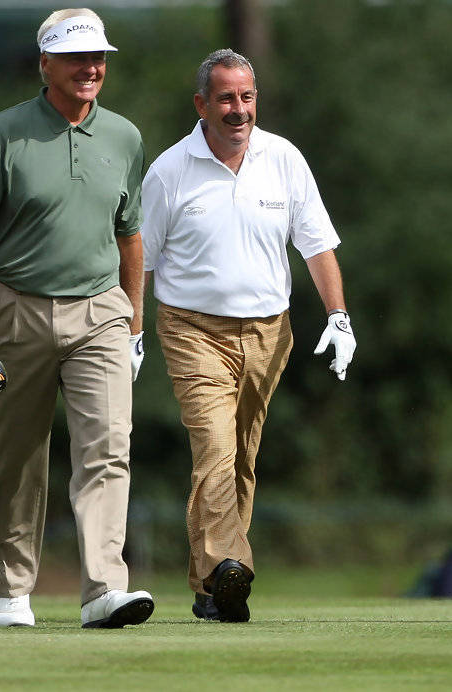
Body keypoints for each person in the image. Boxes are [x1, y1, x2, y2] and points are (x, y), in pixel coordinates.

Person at [0, 8, 153, 628]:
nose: (92, 69)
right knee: (16, 457)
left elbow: (131, 236)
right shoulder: (4, 133)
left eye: (99, 59)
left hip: (102, 314)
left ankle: (104, 591)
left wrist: (135, 323)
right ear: (46, 65)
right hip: (16, 308)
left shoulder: (125, 137)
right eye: (78, 59)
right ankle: (13, 593)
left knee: (109, 448)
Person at [141, 49, 356, 623]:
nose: (239, 110)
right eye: (226, 98)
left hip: (269, 332)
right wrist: (130, 329)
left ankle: (211, 587)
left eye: (247, 97)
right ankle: (231, 565)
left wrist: (338, 317)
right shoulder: (169, 171)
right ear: (201, 104)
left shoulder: (283, 158)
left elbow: (315, 242)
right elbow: (138, 259)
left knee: (239, 459)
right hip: (191, 328)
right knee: (213, 446)